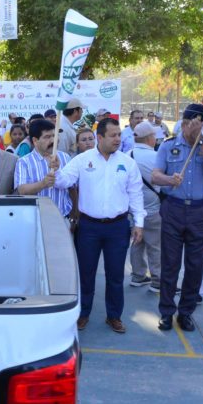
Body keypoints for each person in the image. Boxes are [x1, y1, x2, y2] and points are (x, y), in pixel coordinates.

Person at [53, 117, 145, 334]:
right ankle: (82, 314)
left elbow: (135, 194)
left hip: (118, 227)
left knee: (115, 275)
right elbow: (63, 181)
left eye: (119, 135)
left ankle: (114, 316)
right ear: (99, 137)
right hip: (89, 228)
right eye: (113, 135)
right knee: (86, 273)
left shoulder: (128, 163)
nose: (118, 139)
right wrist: (55, 170)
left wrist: (138, 223)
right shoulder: (83, 160)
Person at [151, 103, 203, 332]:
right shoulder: (168, 146)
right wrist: (169, 180)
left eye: (201, 124)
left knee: (195, 265)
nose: (196, 128)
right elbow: (155, 176)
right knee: (170, 264)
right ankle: (166, 312)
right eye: (193, 124)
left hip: (200, 211)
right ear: (183, 123)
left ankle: (186, 312)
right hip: (173, 208)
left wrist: (201, 143)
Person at [16, 119, 75, 219]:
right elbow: (22, 190)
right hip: (36, 219)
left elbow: (73, 188)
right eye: (47, 137)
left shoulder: (65, 158)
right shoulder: (24, 162)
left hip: (63, 217)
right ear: (35, 140)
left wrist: (74, 216)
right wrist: (43, 184)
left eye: (54, 136)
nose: (53, 140)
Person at [128, 121, 162, 293]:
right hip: (153, 208)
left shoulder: (127, 155)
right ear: (149, 138)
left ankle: (138, 275)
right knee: (155, 245)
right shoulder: (156, 157)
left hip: (133, 210)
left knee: (136, 242)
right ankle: (157, 280)